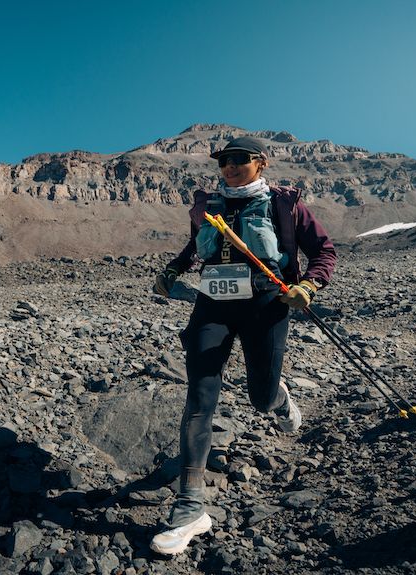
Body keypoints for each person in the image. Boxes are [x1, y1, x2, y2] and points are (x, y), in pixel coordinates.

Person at [150, 135, 337, 555]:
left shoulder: (284, 205)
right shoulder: (207, 206)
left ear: (261, 163)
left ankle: (278, 397)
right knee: (199, 398)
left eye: (239, 159)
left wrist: (309, 285)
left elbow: (323, 251)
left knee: (260, 398)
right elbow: (196, 246)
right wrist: (174, 269)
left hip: (266, 306)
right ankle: (190, 508)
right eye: (223, 161)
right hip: (212, 305)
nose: (229, 167)